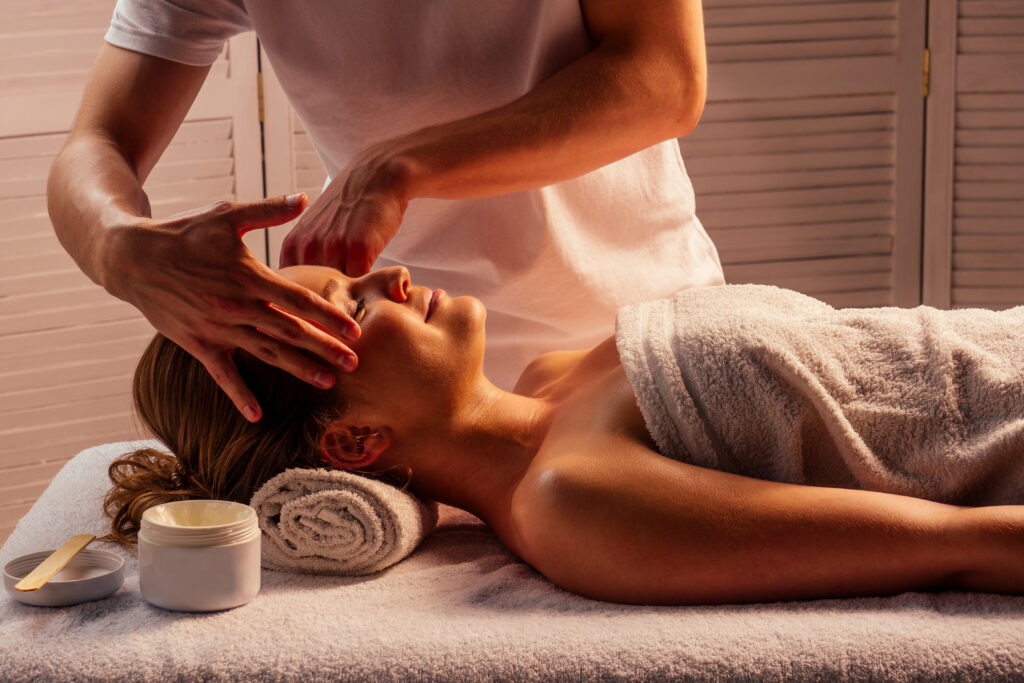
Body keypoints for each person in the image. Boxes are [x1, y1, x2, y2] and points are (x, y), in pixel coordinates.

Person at [105, 265, 1024, 606]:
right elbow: (955, 545)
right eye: (354, 305)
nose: (393, 275)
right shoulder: (574, 503)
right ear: (351, 441)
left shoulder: (554, 377)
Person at [47, 0, 724, 425]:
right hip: (422, 405)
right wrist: (117, 246)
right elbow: (96, 143)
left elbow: (664, 78)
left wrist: (399, 166)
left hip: (643, 346)